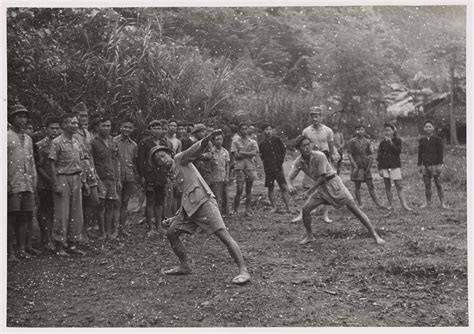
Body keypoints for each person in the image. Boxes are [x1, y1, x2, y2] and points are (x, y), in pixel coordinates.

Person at [149, 129, 250, 285]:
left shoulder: (179, 159)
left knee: (224, 237)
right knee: (171, 233)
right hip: (189, 210)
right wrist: (174, 217)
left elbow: (194, 150)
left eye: (162, 156)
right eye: (157, 160)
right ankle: (185, 265)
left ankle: (243, 271)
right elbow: (185, 195)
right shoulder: (169, 174)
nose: (161, 160)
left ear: (169, 154)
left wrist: (207, 139)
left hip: (203, 202)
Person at [288, 135, 385, 245]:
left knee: (355, 210)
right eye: (303, 146)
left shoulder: (319, 156)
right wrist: (290, 185)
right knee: (306, 209)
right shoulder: (299, 161)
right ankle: (310, 236)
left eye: (307, 145)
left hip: (334, 185)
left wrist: (309, 191)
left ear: (310, 145)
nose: (306, 148)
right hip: (322, 190)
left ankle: (375, 235)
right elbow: (291, 176)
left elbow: (322, 177)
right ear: (298, 148)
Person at [49, 113, 88, 256]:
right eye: (72, 123)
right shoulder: (57, 142)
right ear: (64, 125)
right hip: (62, 178)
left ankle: (73, 244)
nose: (75, 125)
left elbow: (82, 162)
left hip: (76, 179)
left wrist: (84, 182)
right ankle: (59, 246)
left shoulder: (77, 142)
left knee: (76, 213)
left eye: (76, 123)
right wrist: (56, 184)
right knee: (62, 213)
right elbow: (52, 164)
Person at [293, 106, 337, 223]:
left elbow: (331, 148)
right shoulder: (306, 131)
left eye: (316, 116)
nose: (314, 118)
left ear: (321, 117)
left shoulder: (328, 131)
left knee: (325, 188)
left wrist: (330, 161)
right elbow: (303, 146)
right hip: (310, 162)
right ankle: (302, 213)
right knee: (308, 187)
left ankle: (325, 215)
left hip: (323, 160)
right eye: (312, 116)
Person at [7, 104, 38, 261]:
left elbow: (31, 162)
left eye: (24, 116)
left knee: (25, 216)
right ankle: (10, 252)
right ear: (11, 118)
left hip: (27, 183)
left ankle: (21, 249)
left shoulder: (28, 139)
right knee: (11, 217)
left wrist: (34, 181)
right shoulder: (6, 136)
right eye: (19, 116)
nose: (22, 120)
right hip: (12, 183)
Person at [72, 102, 100, 242]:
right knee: (80, 202)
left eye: (86, 115)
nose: (84, 118)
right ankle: (79, 233)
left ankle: (85, 230)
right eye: (81, 115)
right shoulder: (73, 132)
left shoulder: (87, 132)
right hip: (78, 170)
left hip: (90, 169)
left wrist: (94, 172)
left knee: (94, 201)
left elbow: (90, 153)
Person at [136, 120, 169, 236]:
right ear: (150, 130)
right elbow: (140, 161)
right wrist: (142, 176)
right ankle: (150, 227)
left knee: (159, 202)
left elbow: (168, 160)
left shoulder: (164, 142)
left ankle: (159, 225)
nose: (157, 130)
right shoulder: (145, 143)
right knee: (150, 201)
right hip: (149, 175)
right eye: (154, 128)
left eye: (159, 128)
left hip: (161, 175)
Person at [92, 116, 122, 239]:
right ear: (98, 127)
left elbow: (117, 161)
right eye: (103, 125)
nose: (106, 128)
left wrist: (118, 179)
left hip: (112, 178)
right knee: (101, 205)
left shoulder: (113, 142)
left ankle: (109, 232)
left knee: (110, 205)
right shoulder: (94, 142)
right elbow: (92, 162)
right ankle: (102, 232)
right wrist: (96, 179)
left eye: (108, 126)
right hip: (100, 178)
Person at [35, 116, 62, 251]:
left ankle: (51, 236)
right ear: (46, 129)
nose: (55, 131)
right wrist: (48, 179)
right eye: (52, 128)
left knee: (53, 209)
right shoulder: (40, 145)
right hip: (44, 182)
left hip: (58, 181)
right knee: (44, 209)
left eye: (57, 128)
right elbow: (38, 166)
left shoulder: (61, 143)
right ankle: (45, 237)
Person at [347, 124, 385, 209]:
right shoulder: (352, 142)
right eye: (358, 129)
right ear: (355, 131)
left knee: (370, 185)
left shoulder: (367, 142)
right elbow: (349, 154)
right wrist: (354, 165)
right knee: (357, 186)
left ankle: (377, 203)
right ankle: (360, 204)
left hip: (366, 165)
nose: (360, 131)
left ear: (364, 131)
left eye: (362, 129)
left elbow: (371, 154)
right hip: (357, 166)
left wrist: (368, 166)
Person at [377, 122, 412, 211]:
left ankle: (404, 205)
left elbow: (397, 151)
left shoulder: (397, 141)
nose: (387, 132)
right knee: (387, 186)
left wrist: (391, 143)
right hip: (385, 167)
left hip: (395, 166)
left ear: (393, 131)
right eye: (385, 131)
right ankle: (391, 205)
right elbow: (379, 157)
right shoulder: (382, 144)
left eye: (389, 130)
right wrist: (380, 169)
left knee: (399, 185)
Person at [258, 124, 292, 213]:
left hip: (278, 168)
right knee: (270, 188)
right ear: (263, 132)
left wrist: (280, 161)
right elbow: (262, 157)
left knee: (283, 187)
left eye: (270, 129)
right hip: (269, 169)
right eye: (266, 129)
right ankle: (274, 207)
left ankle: (288, 207)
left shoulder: (277, 140)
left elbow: (283, 151)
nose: (268, 131)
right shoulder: (262, 144)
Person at [114, 118, 138, 235]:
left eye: (130, 127)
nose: (127, 129)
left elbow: (133, 162)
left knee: (125, 203)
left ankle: (122, 228)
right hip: (116, 177)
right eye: (125, 127)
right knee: (116, 203)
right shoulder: (114, 142)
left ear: (133, 129)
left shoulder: (133, 145)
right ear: (120, 127)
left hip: (129, 177)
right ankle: (113, 229)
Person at [418, 120, 447, 209]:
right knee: (427, 184)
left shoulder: (438, 139)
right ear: (424, 128)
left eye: (430, 126)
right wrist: (419, 165)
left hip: (435, 165)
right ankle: (428, 203)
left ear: (433, 128)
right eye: (426, 127)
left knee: (438, 184)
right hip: (426, 166)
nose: (428, 128)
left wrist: (440, 165)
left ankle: (442, 203)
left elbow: (440, 153)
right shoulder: (422, 140)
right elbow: (420, 153)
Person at [232, 122, 259, 217]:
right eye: (242, 129)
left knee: (249, 190)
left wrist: (242, 152)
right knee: (239, 189)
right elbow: (236, 155)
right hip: (240, 167)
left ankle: (247, 210)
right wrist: (248, 153)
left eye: (246, 129)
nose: (244, 131)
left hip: (250, 167)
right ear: (239, 131)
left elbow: (254, 153)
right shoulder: (235, 141)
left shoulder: (253, 142)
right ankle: (235, 210)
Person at [208, 133, 230, 213]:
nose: (219, 141)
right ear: (213, 141)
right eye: (217, 139)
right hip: (215, 177)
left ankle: (225, 212)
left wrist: (227, 176)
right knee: (217, 196)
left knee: (225, 195)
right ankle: (217, 213)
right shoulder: (211, 152)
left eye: (221, 139)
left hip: (223, 176)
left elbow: (227, 165)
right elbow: (209, 166)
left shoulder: (225, 152)